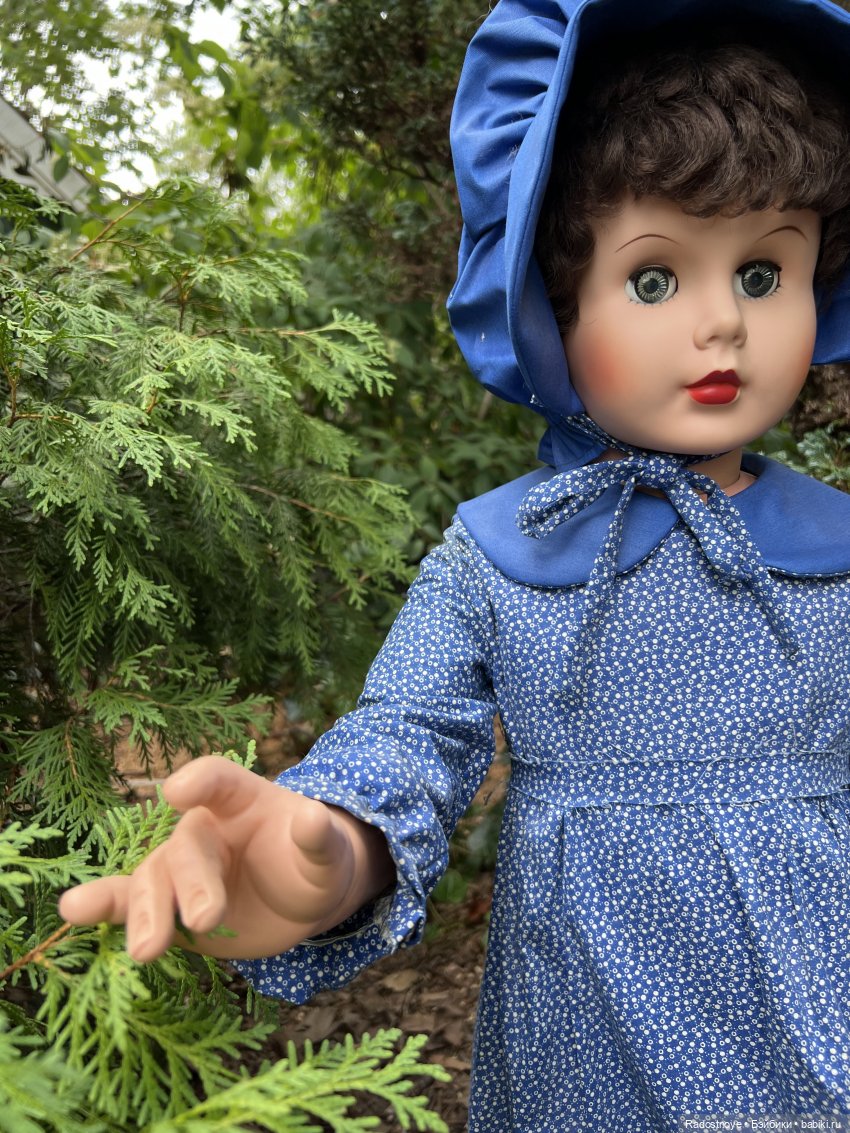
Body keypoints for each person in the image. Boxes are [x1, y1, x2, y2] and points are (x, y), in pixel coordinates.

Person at [60, 0, 850, 1127]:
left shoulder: (839, 551)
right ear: (553, 305)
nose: (722, 322)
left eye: (764, 273)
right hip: (585, 1034)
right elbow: (408, 734)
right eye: (654, 279)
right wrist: (324, 848)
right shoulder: (497, 557)